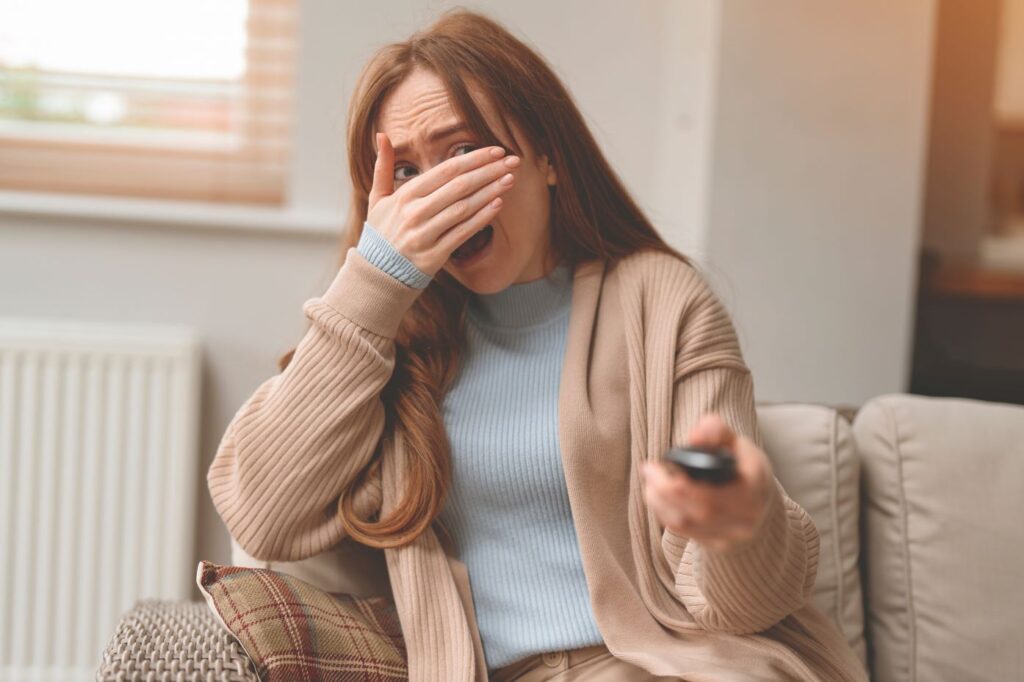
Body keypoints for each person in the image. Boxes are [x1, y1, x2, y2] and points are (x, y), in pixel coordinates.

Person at [207, 7, 868, 681]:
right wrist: (374, 282)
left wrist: (738, 520)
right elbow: (262, 517)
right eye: (407, 173)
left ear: (548, 157)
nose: (441, 192)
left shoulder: (659, 301)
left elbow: (742, 604)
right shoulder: (390, 344)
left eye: (464, 152)